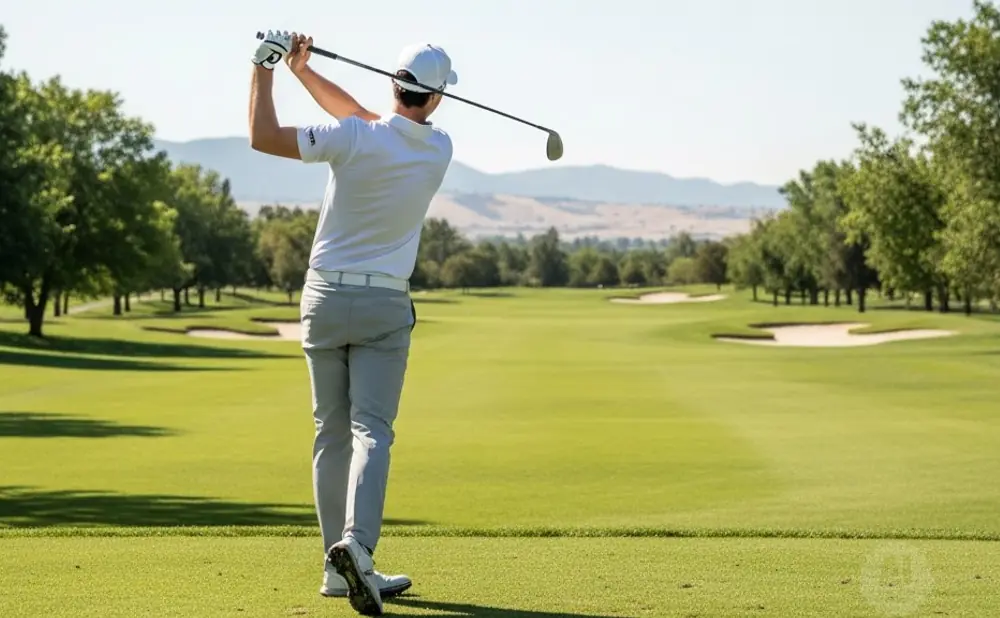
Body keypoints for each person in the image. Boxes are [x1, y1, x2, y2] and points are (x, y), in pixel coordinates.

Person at [248, 30, 457, 616]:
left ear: (394, 84)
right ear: (435, 99)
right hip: (384, 306)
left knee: (329, 432)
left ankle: (334, 570)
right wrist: (302, 72)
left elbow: (265, 137)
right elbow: (366, 119)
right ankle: (358, 552)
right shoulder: (438, 148)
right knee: (373, 432)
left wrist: (268, 69)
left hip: (322, 296)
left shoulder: (352, 137)